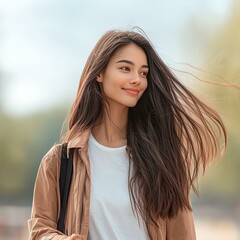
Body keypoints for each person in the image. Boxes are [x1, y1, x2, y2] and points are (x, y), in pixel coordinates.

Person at [28, 28, 227, 240]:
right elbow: (39, 230)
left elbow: (183, 235)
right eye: (125, 68)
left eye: (143, 73)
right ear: (99, 73)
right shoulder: (60, 161)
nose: (137, 80)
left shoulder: (162, 158)